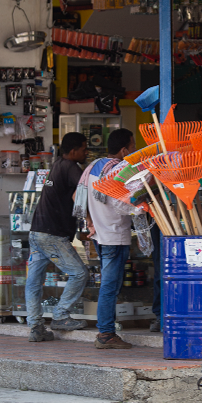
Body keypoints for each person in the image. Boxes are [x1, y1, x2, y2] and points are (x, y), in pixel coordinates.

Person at [25, 132, 90, 342]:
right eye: (83, 149)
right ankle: (61, 315)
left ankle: (35, 326)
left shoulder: (57, 165)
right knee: (79, 273)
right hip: (52, 234)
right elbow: (83, 194)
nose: (86, 152)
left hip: (37, 231)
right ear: (73, 151)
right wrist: (90, 221)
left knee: (34, 281)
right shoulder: (71, 167)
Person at [85, 128, 136, 349]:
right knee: (110, 286)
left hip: (100, 233)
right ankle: (106, 333)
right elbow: (122, 204)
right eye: (132, 147)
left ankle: (107, 330)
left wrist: (89, 219)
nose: (134, 151)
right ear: (124, 150)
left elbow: (78, 196)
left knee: (109, 285)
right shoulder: (119, 170)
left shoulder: (93, 167)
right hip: (114, 235)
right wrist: (141, 205)